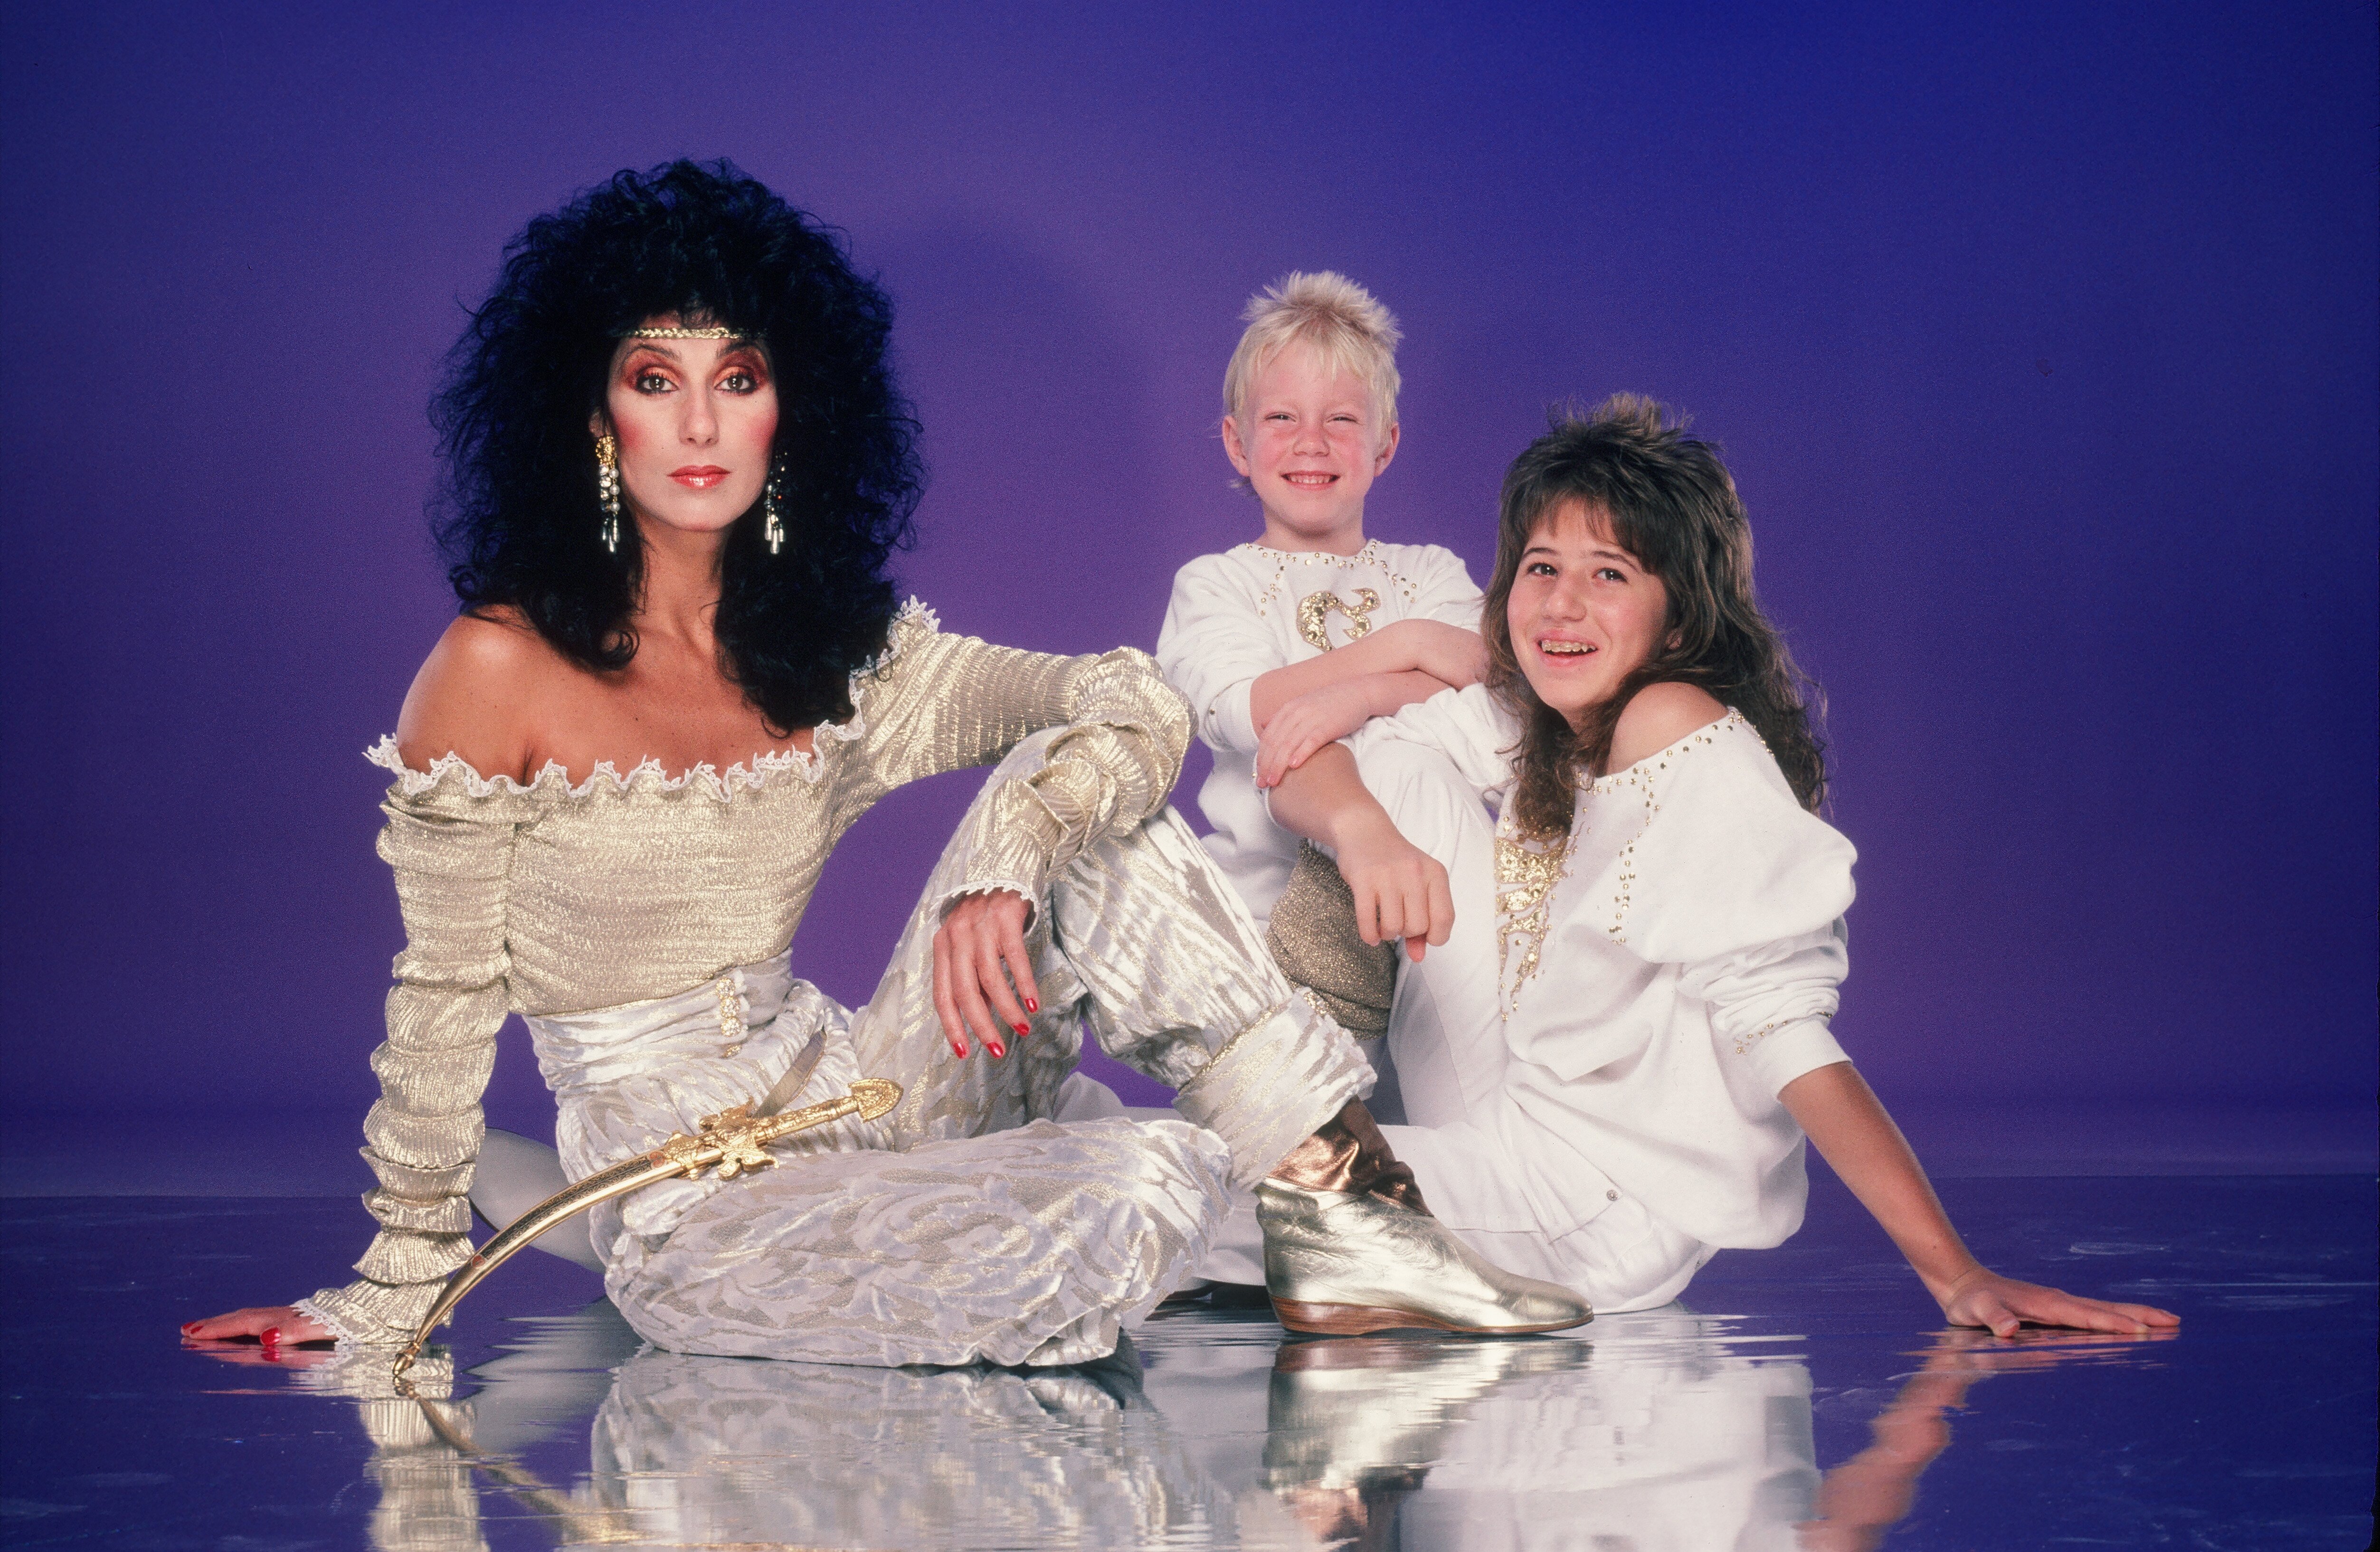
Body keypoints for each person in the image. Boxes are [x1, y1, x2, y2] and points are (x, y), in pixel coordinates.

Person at [180, 161, 1588, 1366]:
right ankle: (1069, 1222)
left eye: (737, 378)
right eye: (652, 379)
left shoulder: (840, 655)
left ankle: (1361, 1224)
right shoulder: (495, 669)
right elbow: (438, 1001)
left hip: (871, 1085)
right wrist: (397, 1280)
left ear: (787, 413)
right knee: (1137, 1180)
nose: (696, 422)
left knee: (1092, 838)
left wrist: (1003, 857)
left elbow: (1129, 698)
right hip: (689, 1196)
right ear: (592, 413)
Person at [1261, 395, 2181, 1335]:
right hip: (1507, 1114)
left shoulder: (1676, 729)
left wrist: (1955, 1274)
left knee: (1235, 1178)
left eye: (1608, 572)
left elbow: (1778, 1021)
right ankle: (1375, 1216)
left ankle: (1362, 1219)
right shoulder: (1546, 719)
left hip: (1590, 1201)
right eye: (1541, 566)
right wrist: (1369, 786)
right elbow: (1294, 767)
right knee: (1398, 774)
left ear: (1676, 618)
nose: (1562, 602)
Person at [1155, 272, 1502, 1115]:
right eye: (1283, 418)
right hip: (1272, 939)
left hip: (1426, 912)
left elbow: (1499, 677)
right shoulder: (1218, 585)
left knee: (1446, 1139)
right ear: (1239, 445)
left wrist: (1352, 696)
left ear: (1383, 447)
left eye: (1341, 420)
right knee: (1312, 1178)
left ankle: (1485, 1151)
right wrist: (1405, 653)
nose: (1311, 442)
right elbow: (1249, 709)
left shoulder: (1428, 573)